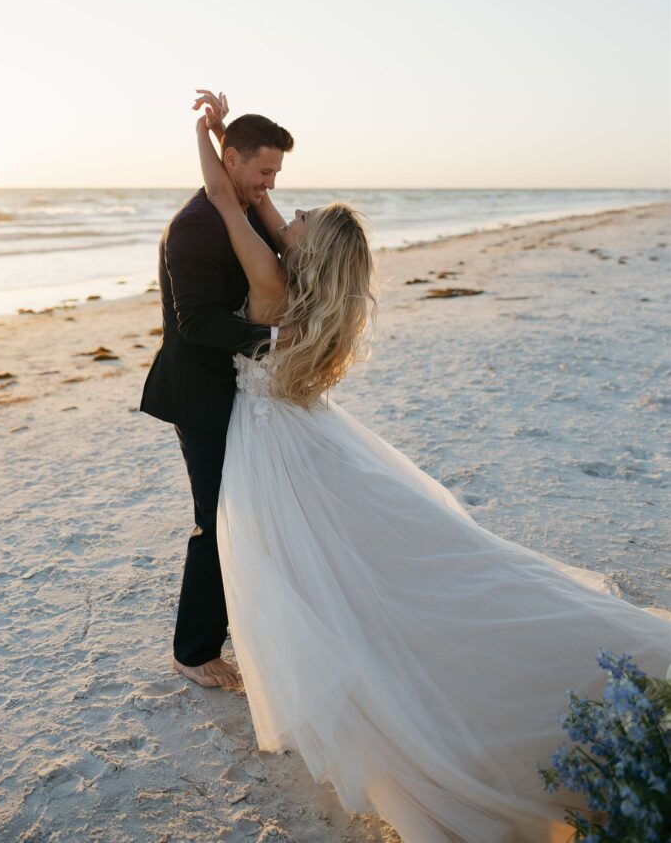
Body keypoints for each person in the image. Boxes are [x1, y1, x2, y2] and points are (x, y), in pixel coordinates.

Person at [194, 90, 670, 843]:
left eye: (303, 217)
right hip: (300, 434)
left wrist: (208, 135)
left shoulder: (270, 282)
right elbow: (252, 204)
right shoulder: (313, 289)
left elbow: (227, 200)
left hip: (276, 446)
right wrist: (227, 138)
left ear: (309, 249)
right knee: (379, 563)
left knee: (317, 575)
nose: (291, 213)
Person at [139, 98, 294, 688]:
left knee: (246, 507)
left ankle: (241, 625)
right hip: (200, 391)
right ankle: (194, 650)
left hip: (244, 386)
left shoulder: (242, 206)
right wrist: (279, 337)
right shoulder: (194, 227)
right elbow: (197, 322)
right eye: (264, 172)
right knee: (214, 515)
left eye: (276, 174)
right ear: (231, 160)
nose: (270, 184)